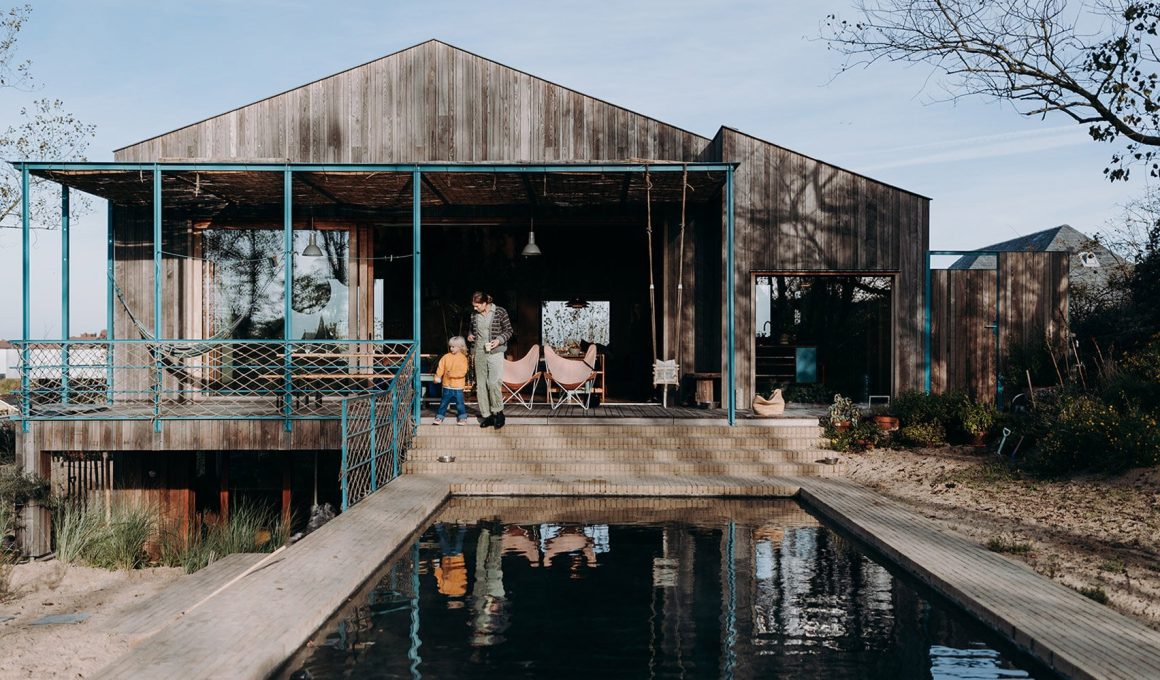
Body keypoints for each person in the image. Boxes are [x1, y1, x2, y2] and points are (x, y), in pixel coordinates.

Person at [467, 291, 512, 429]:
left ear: (485, 303)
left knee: (493, 382)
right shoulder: (474, 315)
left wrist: (499, 340)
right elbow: (471, 330)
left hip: (495, 352)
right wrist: (469, 336)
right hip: (479, 352)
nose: (475, 308)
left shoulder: (499, 312)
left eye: (477, 306)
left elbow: (509, 330)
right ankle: (487, 416)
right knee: (481, 385)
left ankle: (498, 413)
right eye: (473, 306)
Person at [433, 336, 469, 425]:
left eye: (453, 346)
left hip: (458, 386)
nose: (451, 348)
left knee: (460, 403)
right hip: (446, 385)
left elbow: (463, 372)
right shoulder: (446, 357)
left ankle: (462, 417)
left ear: (460, 347)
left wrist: (452, 375)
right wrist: (438, 376)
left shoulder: (463, 358)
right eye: (450, 346)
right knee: (443, 403)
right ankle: (439, 416)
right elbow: (441, 367)